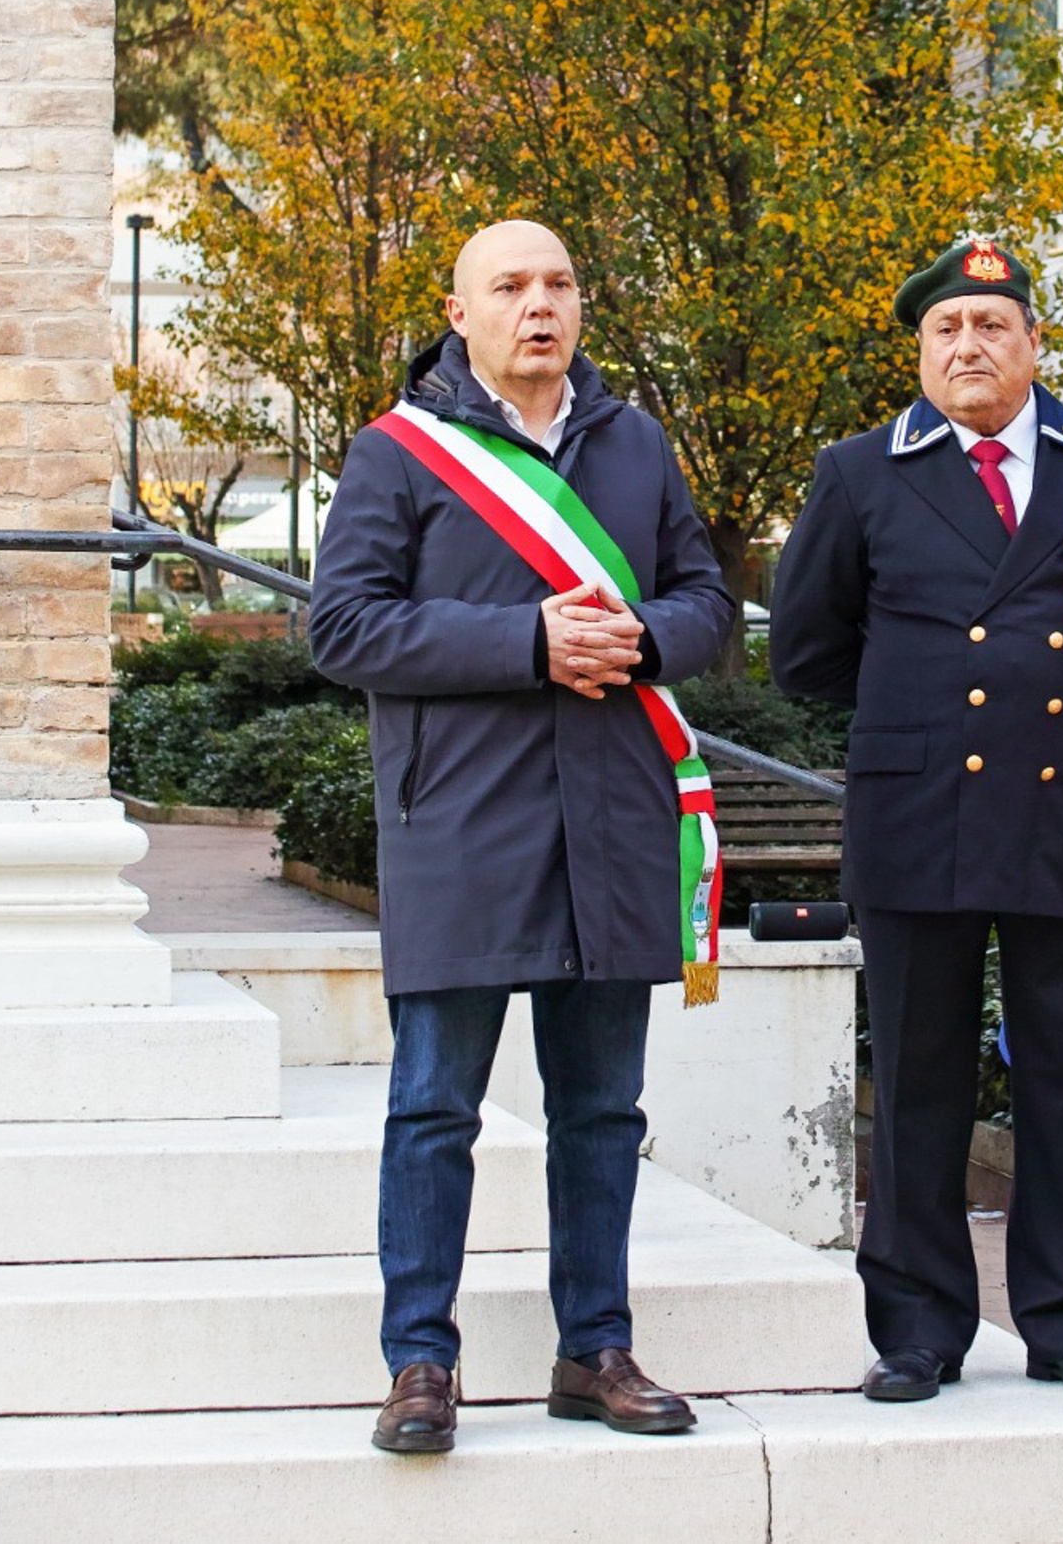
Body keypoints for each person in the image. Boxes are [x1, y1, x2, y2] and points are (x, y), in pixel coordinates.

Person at [311, 220, 735, 1454]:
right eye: (509, 285)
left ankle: (594, 1348)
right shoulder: (397, 451)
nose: (537, 304)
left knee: (601, 1108)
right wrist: (525, 642)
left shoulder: (635, 443)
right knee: (433, 1106)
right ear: (461, 312)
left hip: (614, 820)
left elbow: (709, 602)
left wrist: (644, 638)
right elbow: (343, 625)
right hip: (460, 823)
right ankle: (419, 1361)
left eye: (557, 283)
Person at [770, 238, 1063, 1403]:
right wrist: (921, 707)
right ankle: (919, 1326)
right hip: (918, 810)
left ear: (1032, 341)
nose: (968, 345)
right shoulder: (859, 471)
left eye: (990, 324)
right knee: (920, 1081)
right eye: (946, 329)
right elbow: (806, 649)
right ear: (921, 352)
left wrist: (1060, 706)